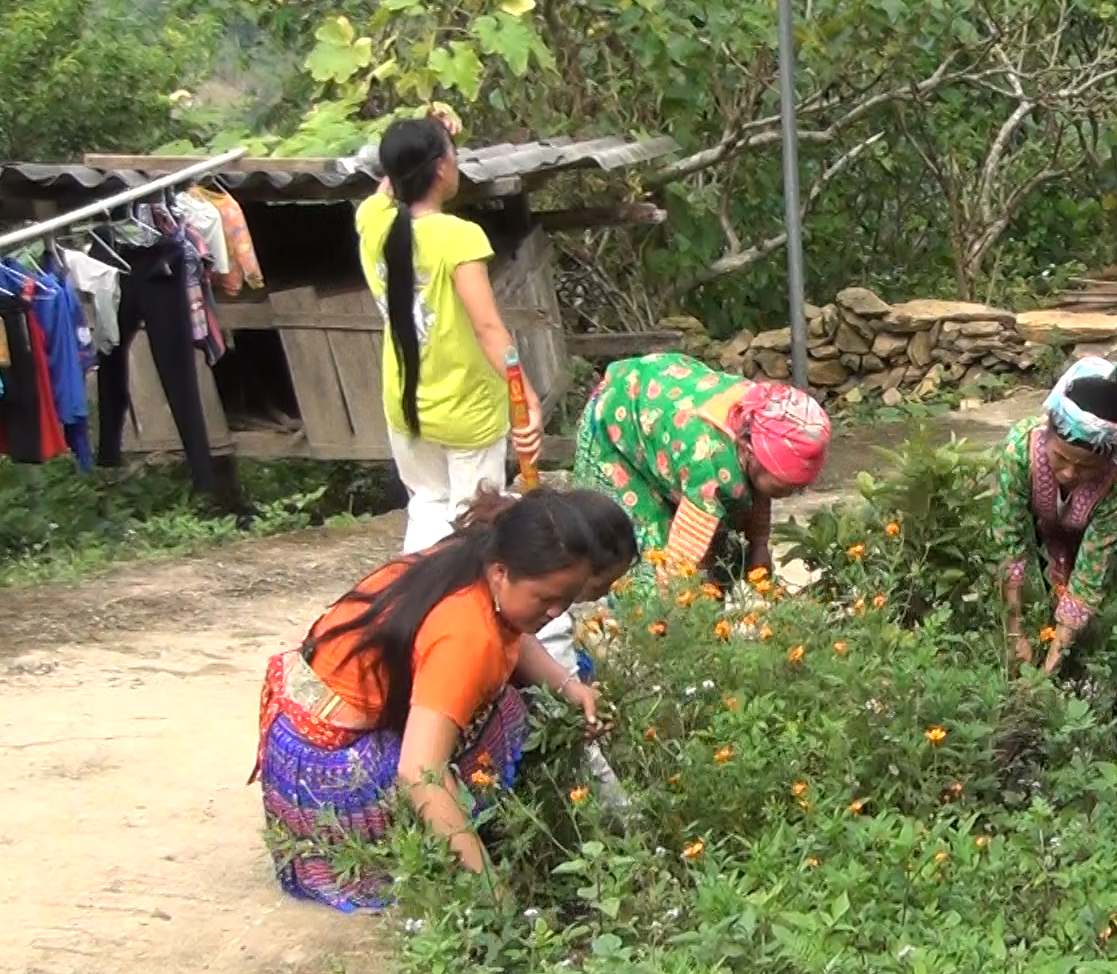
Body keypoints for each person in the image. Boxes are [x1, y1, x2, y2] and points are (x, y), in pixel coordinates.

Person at [249, 486, 636, 913]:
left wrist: (570, 686)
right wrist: (490, 891)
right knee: (506, 716)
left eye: (565, 600)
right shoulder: (467, 635)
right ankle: (404, 852)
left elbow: (516, 632)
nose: (555, 613)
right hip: (329, 772)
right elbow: (419, 771)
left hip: (303, 721)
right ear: (502, 573)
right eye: (546, 599)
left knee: (510, 698)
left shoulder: (481, 553)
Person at [357, 112, 543, 554]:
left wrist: (425, 131)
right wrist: (527, 397)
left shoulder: (371, 222)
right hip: (467, 409)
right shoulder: (458, 237)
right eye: (452, 154)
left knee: (426, 506)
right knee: (474, 521)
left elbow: (389, 184)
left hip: (406, 406)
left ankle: (416, 602)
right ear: (442, 168)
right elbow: (488, 329)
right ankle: (461, 612)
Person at [572, 351, 832, 586]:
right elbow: (681, 557)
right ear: (750, 453)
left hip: (665, 415)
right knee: (652, 557)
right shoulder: (708, 460)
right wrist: (676, 610)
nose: (790, 495)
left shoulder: (758, 417)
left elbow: (758, 492)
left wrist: (759, 544)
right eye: (784, 488)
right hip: (617, 421)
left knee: (721, 552)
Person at [988, 356, 1117, 675]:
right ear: (1048, 435)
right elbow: (1009, 544)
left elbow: (1092, 572)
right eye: (1061, 458)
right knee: (1036, 597)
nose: (1070, 472)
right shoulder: (1019, 452)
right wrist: (1014, 632)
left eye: (1086, 467)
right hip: (1048, 532)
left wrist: (1056, 657)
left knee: (1112, 621)